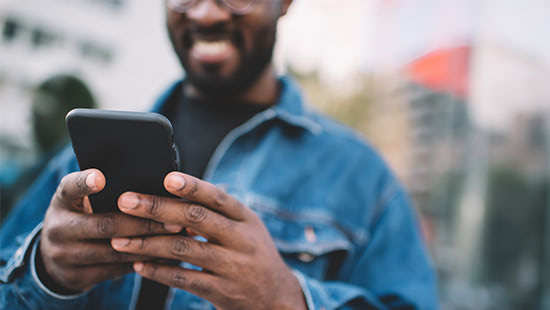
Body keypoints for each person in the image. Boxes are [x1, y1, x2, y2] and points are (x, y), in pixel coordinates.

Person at [0, 0, 438, 309]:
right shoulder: (87, 153)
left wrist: (289, 301)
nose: (206, 12)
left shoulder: (362, 178)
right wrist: (43, 273)